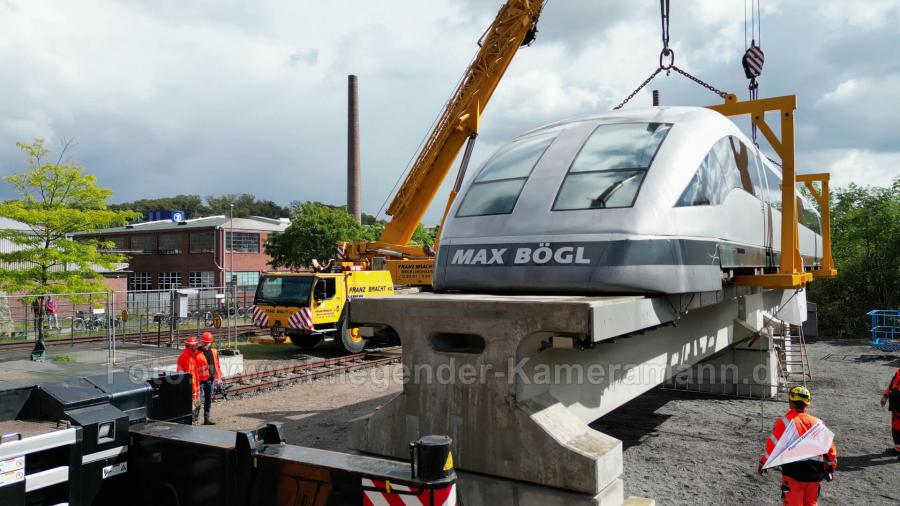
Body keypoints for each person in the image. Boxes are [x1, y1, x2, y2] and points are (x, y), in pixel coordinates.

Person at [758, 386, 837, 506]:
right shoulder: (818, 423)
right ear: (807, 404)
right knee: (810, 503)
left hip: (793, 473)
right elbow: (830, 450)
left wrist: (763, 462)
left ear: (790, 401)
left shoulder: (785, 421)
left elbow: (773, 445)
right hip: (814, 474)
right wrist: (831, 467)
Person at [176, 336, 203, 424]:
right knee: (195, 407)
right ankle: (193, 425)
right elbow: (190, 376)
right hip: (192, 389)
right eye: (196, 345)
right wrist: (193, 390)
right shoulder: (188, 358)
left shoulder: (185, 356)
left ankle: (193, 423)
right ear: (192, 346)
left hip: (190, 388)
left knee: (195, 407)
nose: (197, 347)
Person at [197, 332, 222, 425]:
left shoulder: (214, 352)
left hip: (210, 379)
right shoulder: (196, 351)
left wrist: (218, 377)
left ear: (210, 342)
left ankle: (206, 419)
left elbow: (217, 365)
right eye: (204, 343)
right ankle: (194, 420)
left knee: (208, 399)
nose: (205, 345)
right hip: (199, 380)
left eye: (207, 343)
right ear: (201, 342)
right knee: (197, 401)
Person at [881, 367, 900, 453]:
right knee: (895, 428)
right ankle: (897, 449)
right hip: (896, 405)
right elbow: (892, 385)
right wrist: (885, 396)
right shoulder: (898, 372)